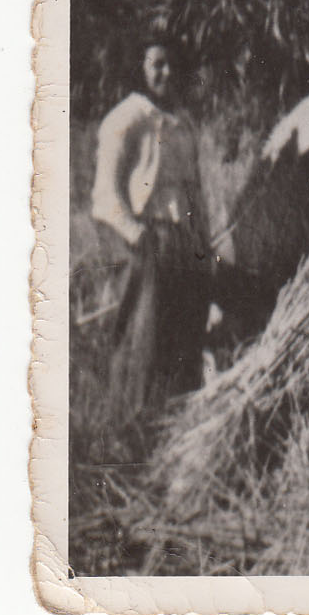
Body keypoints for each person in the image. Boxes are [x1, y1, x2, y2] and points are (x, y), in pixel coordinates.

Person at [90, 31, 213, 417]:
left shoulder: (183, 123)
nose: (166, 72)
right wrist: (139, 237)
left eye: (172, 64)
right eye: (156, 64)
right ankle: (134, 430)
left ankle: (179, 428)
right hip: (150, 242)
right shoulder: (126, 119)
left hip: (186, 243)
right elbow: (105, 197)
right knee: (144, 342)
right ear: (140, 68)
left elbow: (194, 190)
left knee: (186, 340)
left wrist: (202, 244)